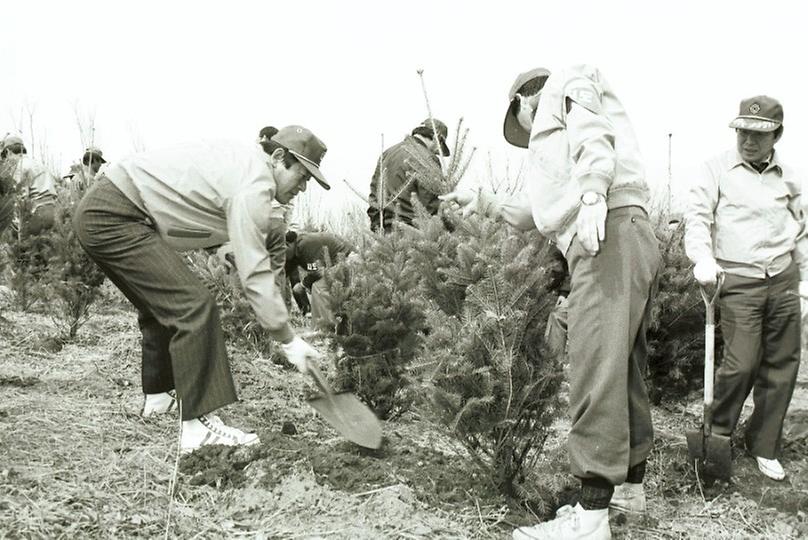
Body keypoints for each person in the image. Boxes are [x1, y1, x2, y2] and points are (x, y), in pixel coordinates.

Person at [442, 65, 660, 540]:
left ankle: (591, 520)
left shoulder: (566, 82)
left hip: (605, 235)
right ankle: (628, 493)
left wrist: (591, 193)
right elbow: (538, 213)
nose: (529, 137)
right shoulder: (567, 146)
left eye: (523, 128)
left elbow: (592, 133)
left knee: (594, 369)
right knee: (621, 370)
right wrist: (480, 200)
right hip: (621, 231)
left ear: (523, 100)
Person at [73, 125, 329, 454]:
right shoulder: (256, 182)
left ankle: (159, 397)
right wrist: (288, 338)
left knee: (161, 305)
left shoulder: (242, 165)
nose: (303, 187)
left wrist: (235, 256)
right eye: (302, 175)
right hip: (117, 214)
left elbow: (206, 220)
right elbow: (255, 270)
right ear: (279, 158)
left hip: (106, 210)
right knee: (193, 305)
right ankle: (197, 430)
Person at [685, 96, 806, 482]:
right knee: (741, 364)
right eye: (742, 131)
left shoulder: (788, 177)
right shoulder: (715, 170)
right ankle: (717, 436)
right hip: (738, 281)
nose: (748, 140)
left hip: (783, 279)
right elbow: (697, 218)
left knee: (782, 365)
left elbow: (801, 231)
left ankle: (764, 446)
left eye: (758, 133)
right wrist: (702, 258)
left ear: (777, 135)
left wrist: (804, 281)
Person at [367, 118, 450, 232]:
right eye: (439, 149)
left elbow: (374, 196)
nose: (437, 153)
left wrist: (378, 228)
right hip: (414, 234)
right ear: (437, 139)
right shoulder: (428, 158)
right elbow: (431, 206)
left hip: (384, 233)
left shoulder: (386, 154)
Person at [283, 230, 352, 325]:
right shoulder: (293, 251)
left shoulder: (304, 245)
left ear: (287, 245)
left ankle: (326, 325)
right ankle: (309, 314)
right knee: (297, 288)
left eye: (281, 252)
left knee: (319, 286)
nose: (281, 257)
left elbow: (319, 271)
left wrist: (303, 284)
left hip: (346, 258)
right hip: (330, 265)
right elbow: (283, 274)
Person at [0, 134, 58, 234]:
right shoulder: (40, 164)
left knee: (25, 246)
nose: (7, 162)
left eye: (5, 157)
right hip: (53, 210)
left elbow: (21, 198)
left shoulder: (19, 166)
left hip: (36, 213)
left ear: (8, 152)